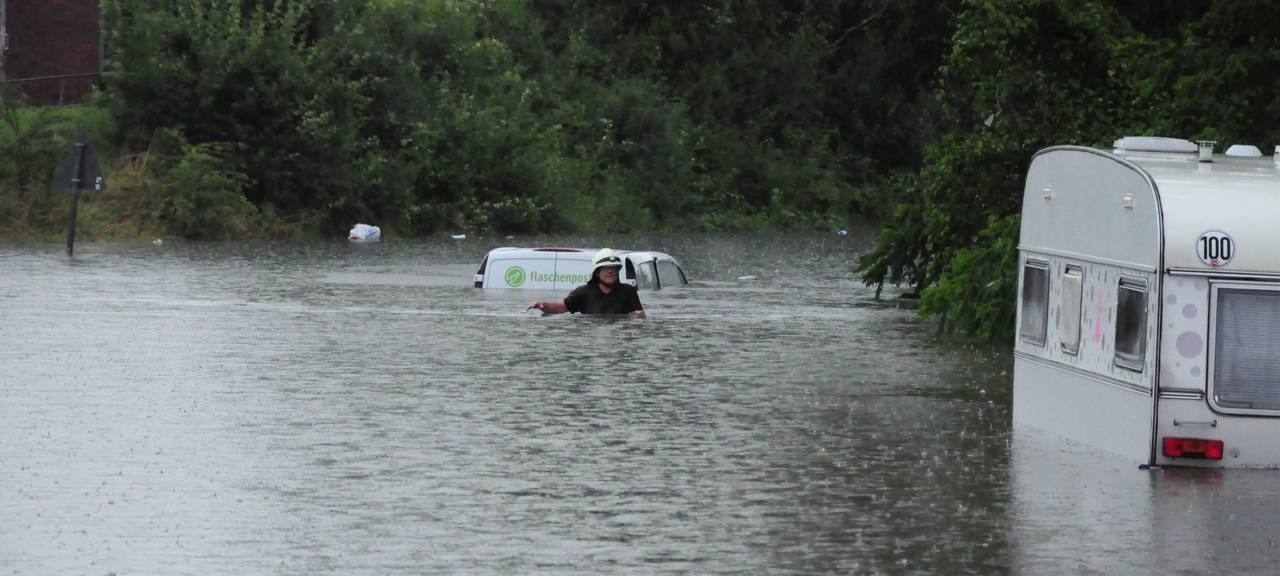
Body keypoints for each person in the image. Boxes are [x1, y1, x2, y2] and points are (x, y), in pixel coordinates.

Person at [527, 248, 646, 318]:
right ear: (597, 273)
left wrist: (641, 317)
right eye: (605, 268)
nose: (610, 271)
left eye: (614, 268)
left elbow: (639, 315)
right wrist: (542, 305)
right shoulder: (583, 292)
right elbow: (559, 308)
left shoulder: (628, 291)